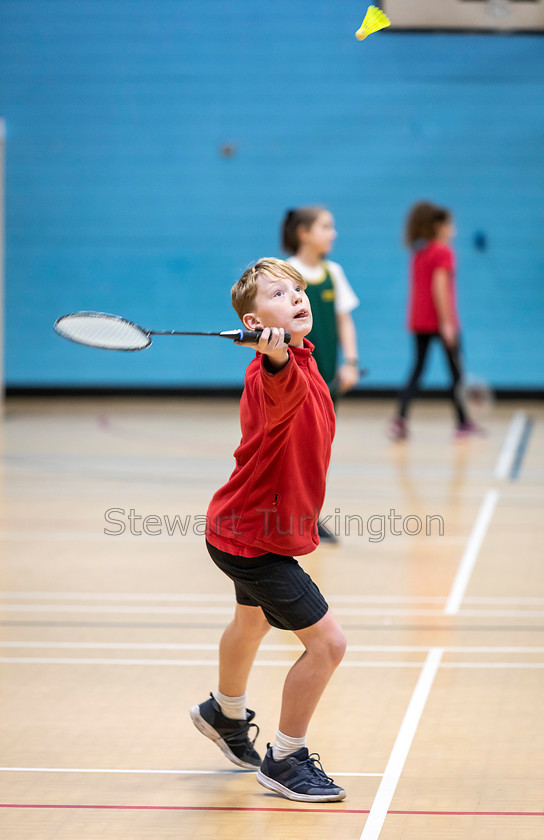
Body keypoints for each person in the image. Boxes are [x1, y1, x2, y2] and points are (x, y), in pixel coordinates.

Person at [190, 258, 347, 803]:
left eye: (297, 289)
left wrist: (284, 348)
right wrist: (274, 352)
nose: (297, 297)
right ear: (255, 324)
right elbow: (280, 384)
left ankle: (224, 713)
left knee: (251, 621)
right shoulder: (273, 374)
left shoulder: (302, 356)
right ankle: (286, 758)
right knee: (327, 645)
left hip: (240, 526)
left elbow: (290, 365)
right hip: (256, 540)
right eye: (280, 294)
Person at [281, 206, 361, 542]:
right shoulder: (284, 272)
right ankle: (285, 516)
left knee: (318, 450)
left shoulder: (333, 272)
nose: (333, 233)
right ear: (304, 233)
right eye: (326, 226)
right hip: (291, 377)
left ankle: (306, 516)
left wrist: (351, 362)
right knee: (289, 449)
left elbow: (344, 319)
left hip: (327, 378)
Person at [389, 201, 483, 441]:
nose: (454, 230)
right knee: (456, 374)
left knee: (417, 370)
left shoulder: (419, 251)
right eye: (451, 225)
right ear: (439, 226)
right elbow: (439, 288)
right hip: (440, 322)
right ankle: (463, 424)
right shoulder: (443, 252)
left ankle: (400, 419)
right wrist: (447, 323)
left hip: (419, 321)